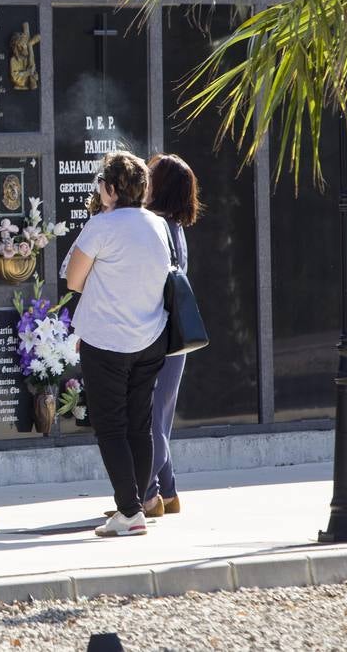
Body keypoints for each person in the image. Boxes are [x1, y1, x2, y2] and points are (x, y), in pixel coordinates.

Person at [65, 150, 170, 538]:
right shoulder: (157, 225)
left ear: (109, 189)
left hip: (107, 340)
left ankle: (129, 512)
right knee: (139, 425)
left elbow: (74, 281)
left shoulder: (102, 225)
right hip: (150, 337)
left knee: (110, 427)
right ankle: (136, 504)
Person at [142, 153, 201, 517]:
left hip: (159, 333)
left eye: (150, 175)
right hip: (174, 338)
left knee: (151, 419)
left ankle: (146, 496)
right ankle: (168, 491)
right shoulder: (175, 228)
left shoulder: (157, 227)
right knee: (159, 415)